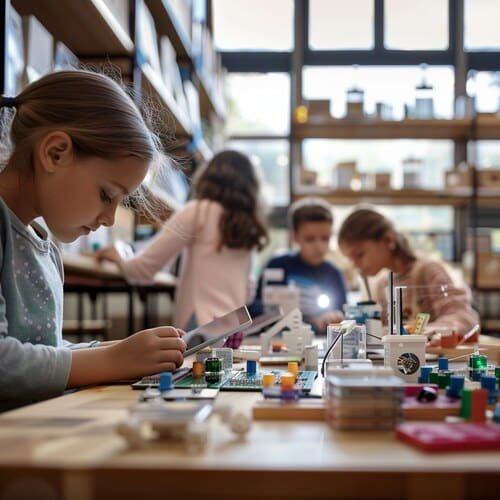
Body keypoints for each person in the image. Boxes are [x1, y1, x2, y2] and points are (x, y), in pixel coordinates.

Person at [0, 70, 186, 411]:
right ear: (55, 153)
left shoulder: (41, 243)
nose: (110, 219)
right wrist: (114, 360)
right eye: (106, 194)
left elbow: (44, 352)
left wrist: (119, 350)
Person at [96, 150, 269, 345]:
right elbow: (249, 290)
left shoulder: (197, 212)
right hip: (235, 330)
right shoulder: (249, 225)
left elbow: (144, 268)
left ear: (209, 177)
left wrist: (120, 257)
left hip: (199, 327)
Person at [338, 207, 479, 336]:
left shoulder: (428, 271)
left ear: (388, 240)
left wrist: (419, 333)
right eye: (350, 259)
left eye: (359, 254)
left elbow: (462, 317)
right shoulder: (381, 285)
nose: (356, 265)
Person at [251, 197, 347, 334]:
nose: (318, 246)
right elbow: (254, 307)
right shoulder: (276, 265)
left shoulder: (334, 274)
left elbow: (342, 315)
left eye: (325, 238)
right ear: (295, 236)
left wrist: (332, 318)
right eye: (310, 239)